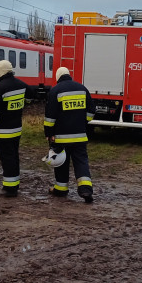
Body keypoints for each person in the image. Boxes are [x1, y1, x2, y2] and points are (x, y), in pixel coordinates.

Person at [44, 66, 95, 203]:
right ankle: (86, 190)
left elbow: (50, 117)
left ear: (57, 77)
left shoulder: (55, 90)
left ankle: (61, 189)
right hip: (80, 136)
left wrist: (49, 133)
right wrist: (83, 123)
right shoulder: (82, 89)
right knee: (81, 162)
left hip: (61, 138)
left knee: (61, 162)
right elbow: (91, 111)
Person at [0, 60, 28, 198]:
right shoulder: (20, 85)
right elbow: (32, 94)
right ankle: (14, 184)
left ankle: (9, 189)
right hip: (17, 129)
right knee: (14, 157)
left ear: (2, 71)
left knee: (7, 159)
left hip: (3, 131)